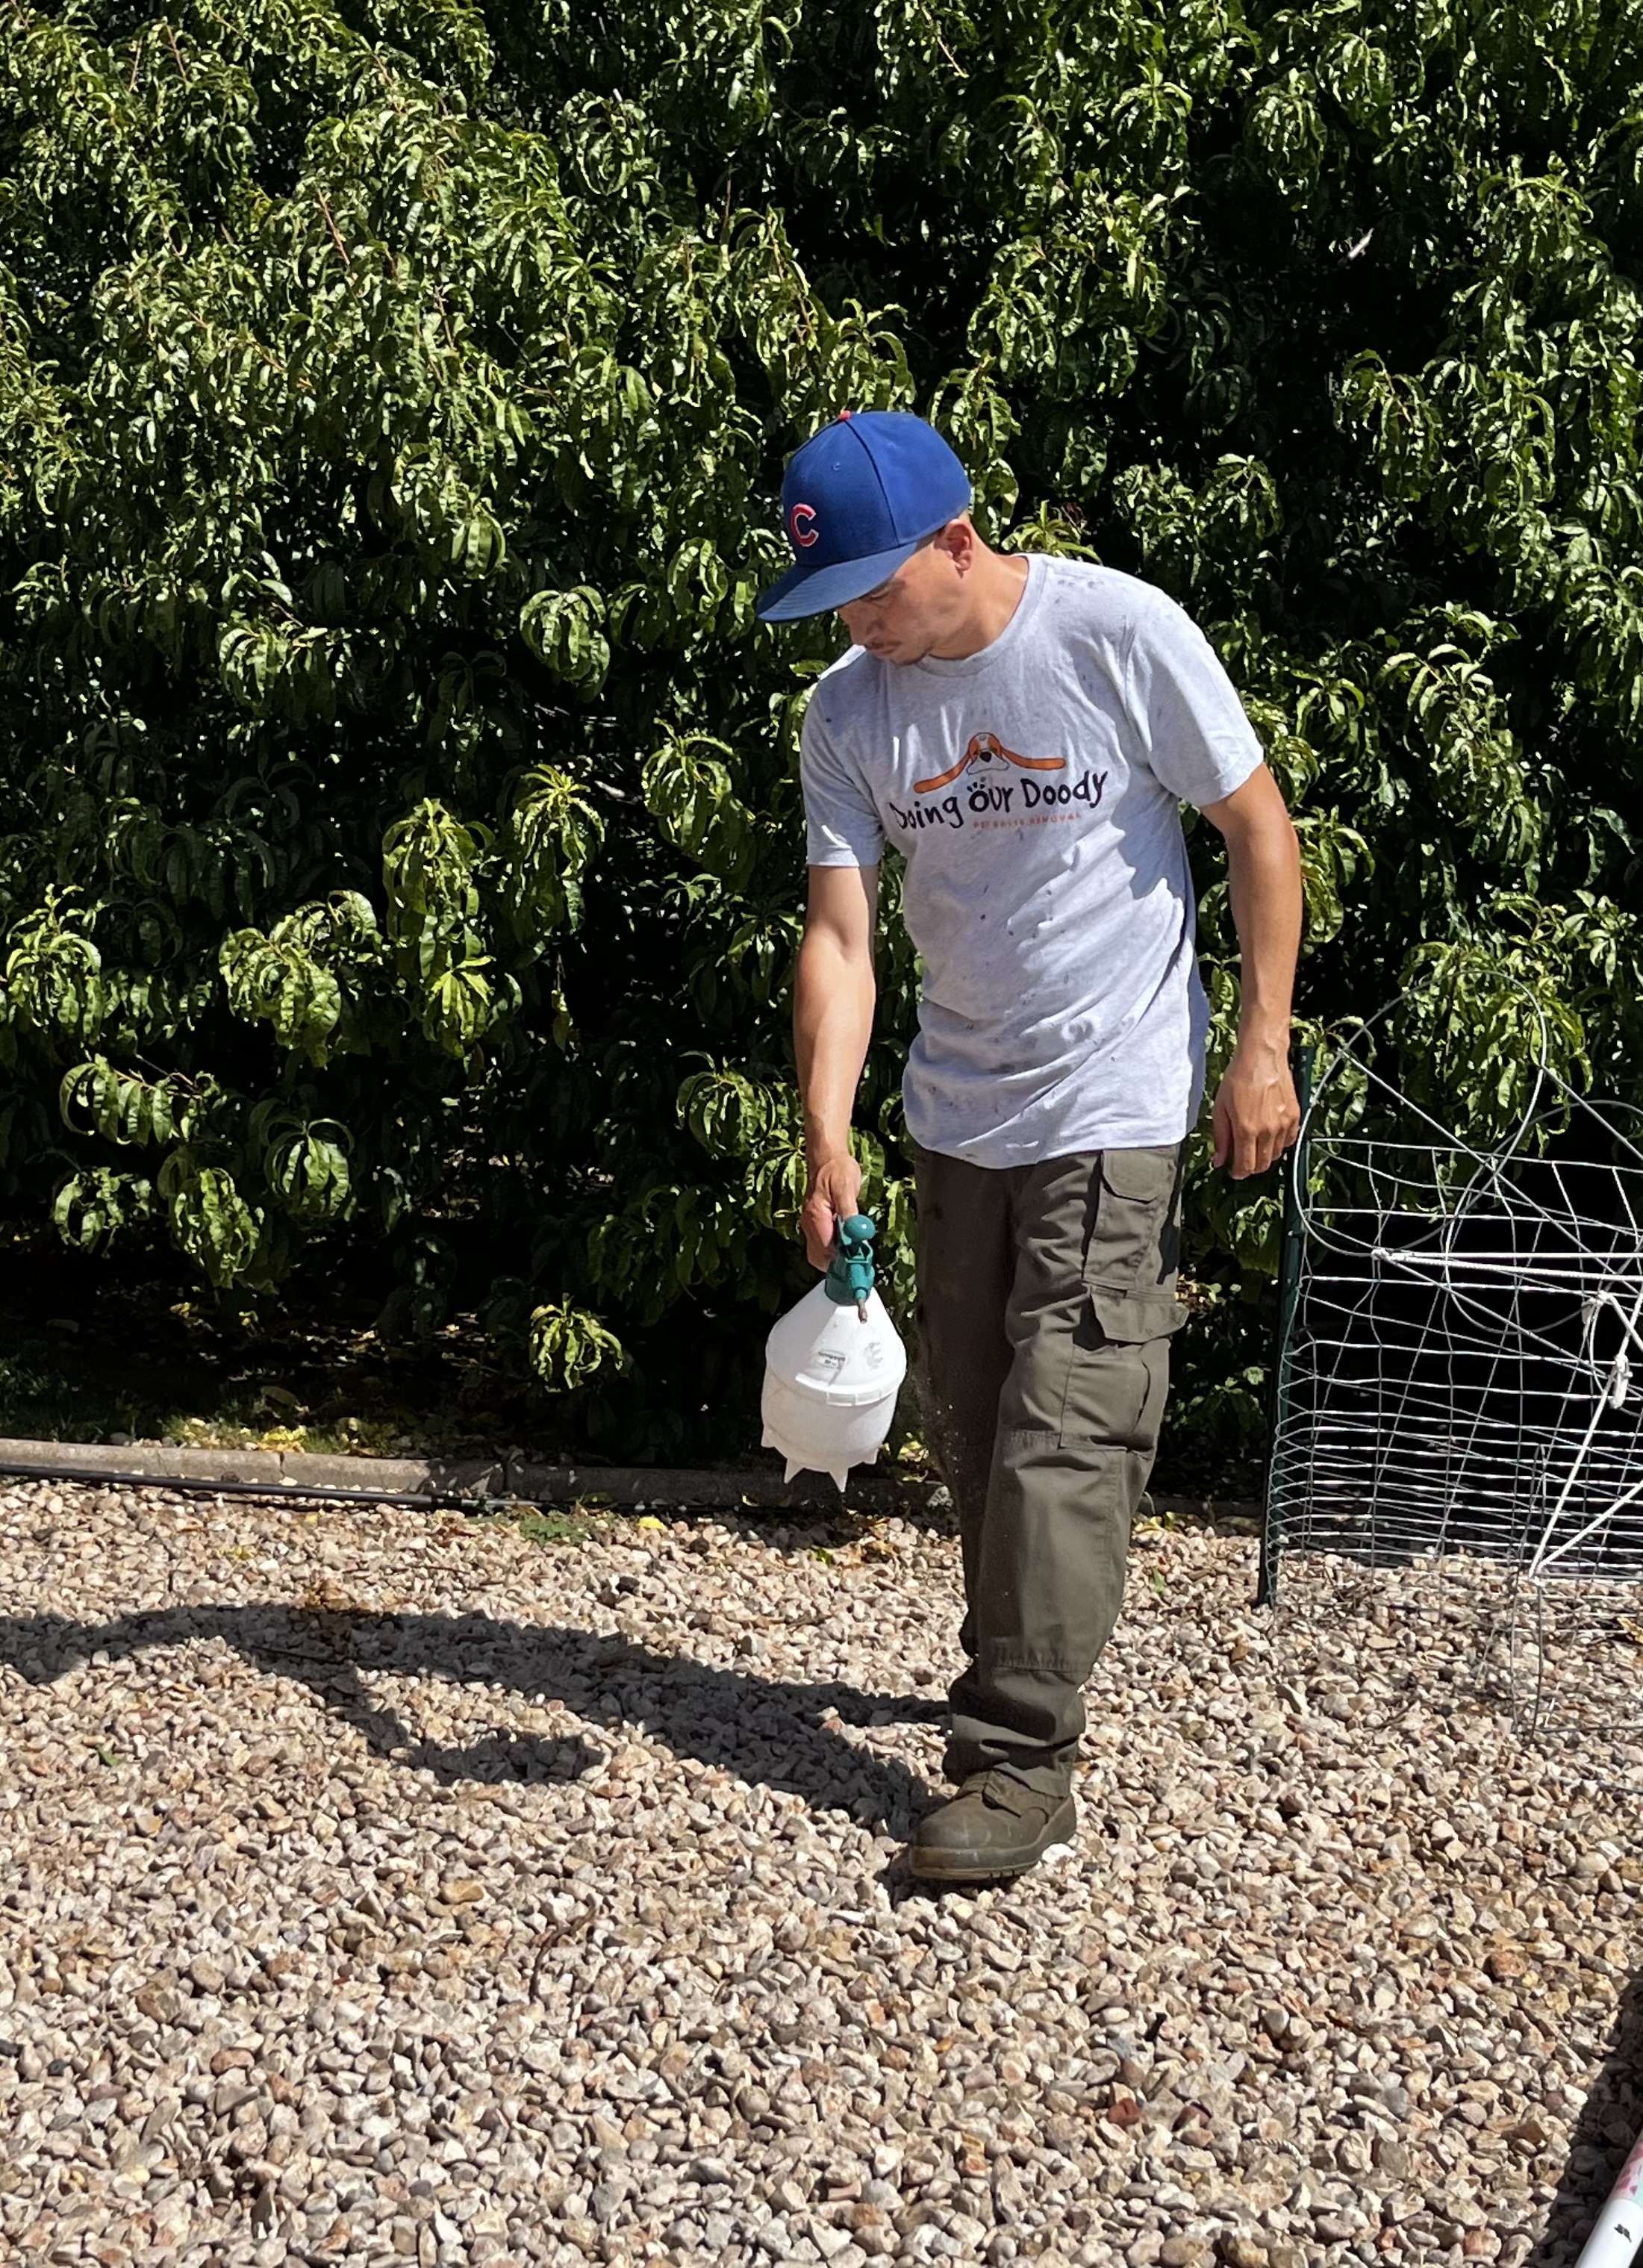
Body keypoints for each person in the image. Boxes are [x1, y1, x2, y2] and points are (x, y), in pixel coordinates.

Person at [757, 410, 1302, 1882]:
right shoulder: (848, 714)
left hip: (1117, 1094)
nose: (860, 624)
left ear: (955, 537)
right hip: (958, 1112)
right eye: (834, 605)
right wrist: (825, 1129)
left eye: (875, 589)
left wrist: (1262, 1042)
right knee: (981, 1427)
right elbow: (842, 932)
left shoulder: (1115, 634)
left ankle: (1015, 1759)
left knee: (1072, 1421)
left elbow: (1256, 826)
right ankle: (1019, 1649)